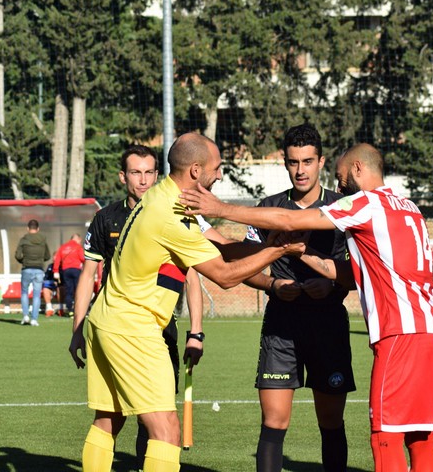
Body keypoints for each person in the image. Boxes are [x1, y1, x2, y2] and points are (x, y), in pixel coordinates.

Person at [180, 143, 433, 472]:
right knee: (420, 439)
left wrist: (220, 207)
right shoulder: (408, 208)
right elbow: (358, 273)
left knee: (386, 437)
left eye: (340, 178)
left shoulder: (365, 203)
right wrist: (304, 254)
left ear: (357, 170)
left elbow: (286, 219)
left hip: (401, 335)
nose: (338, 188)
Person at [69, 133, 305, 472]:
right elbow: (224, 276)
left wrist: (269, 244)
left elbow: (223, 247)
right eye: (217, 168)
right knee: (166, 431)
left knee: (108, 420)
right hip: (133, 330)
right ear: (196, 170)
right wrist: (279, 250)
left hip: (107, 322)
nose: (220, 175)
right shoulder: (171, 215)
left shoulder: (164, 198)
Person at [71, 144, 215, 471]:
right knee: (152, 422)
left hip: (158, 324)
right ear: (123, 176)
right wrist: (76, 329)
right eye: (136, 172)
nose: (144, 180)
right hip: (130, 326)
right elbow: (88, 274)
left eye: (150, 172)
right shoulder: (107, 217)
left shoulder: (176, 209)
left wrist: (196, 332)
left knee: (141, 418)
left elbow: (192, 277)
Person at [243, 124, 354, 472]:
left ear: (321, 161)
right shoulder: (268, 209)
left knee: (331, 422)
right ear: (285, 164)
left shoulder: (345, 209)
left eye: (308, 161)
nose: (301, 169)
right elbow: (244, 267)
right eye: (293, 162)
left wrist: (335, 287)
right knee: (273, 423)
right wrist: (272, 286)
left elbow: (362, 271)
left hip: (328, 324)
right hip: (282, 324)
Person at [15, 219, 51, 327]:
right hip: (39, 269)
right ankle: (34, 319)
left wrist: (24, 261)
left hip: (26, 268)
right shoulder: (43, 239)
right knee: (36, 295)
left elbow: (18, 255)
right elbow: (47, 256)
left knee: (24, 292)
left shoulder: (23, 239)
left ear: (28, 228)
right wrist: (40, 261)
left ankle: (25, 315)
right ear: (38, 228)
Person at [53, 233, 85, 317]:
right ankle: (78, 310)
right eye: (80, 241)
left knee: (69, 290)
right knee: (78, 290)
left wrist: (55, 271)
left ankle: (70, 310)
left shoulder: (63, 247)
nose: (80, 242)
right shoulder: (78, 247)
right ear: (77, 239)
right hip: (76, 270)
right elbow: (82, 258)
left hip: (66, 271)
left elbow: (57, 259)